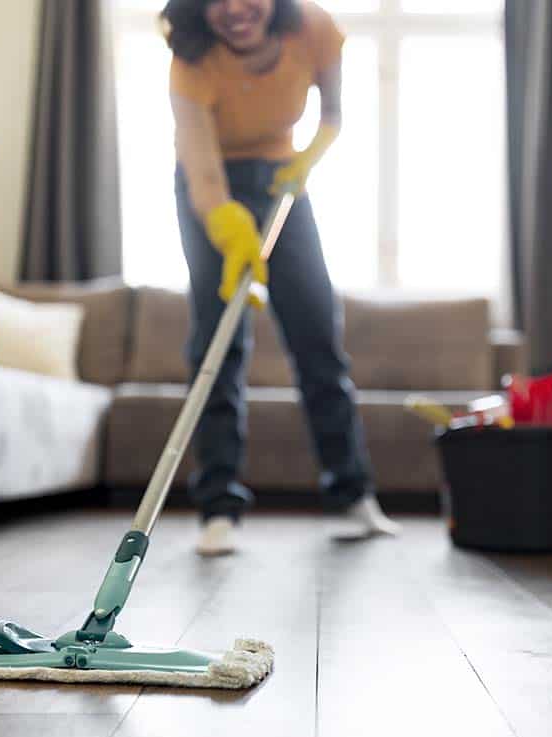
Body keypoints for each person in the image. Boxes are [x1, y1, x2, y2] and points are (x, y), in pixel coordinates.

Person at [162, 0, 400, 555]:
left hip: (283, 182)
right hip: (208, 186)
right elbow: (200, 168)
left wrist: (311, 155)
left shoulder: (314, 27)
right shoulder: (190, 60)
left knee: (317, 334)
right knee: (217, 343)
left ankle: (353, 494)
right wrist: (225, 223)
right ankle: (218, 507)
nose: (234, 9)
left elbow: (333, 115)